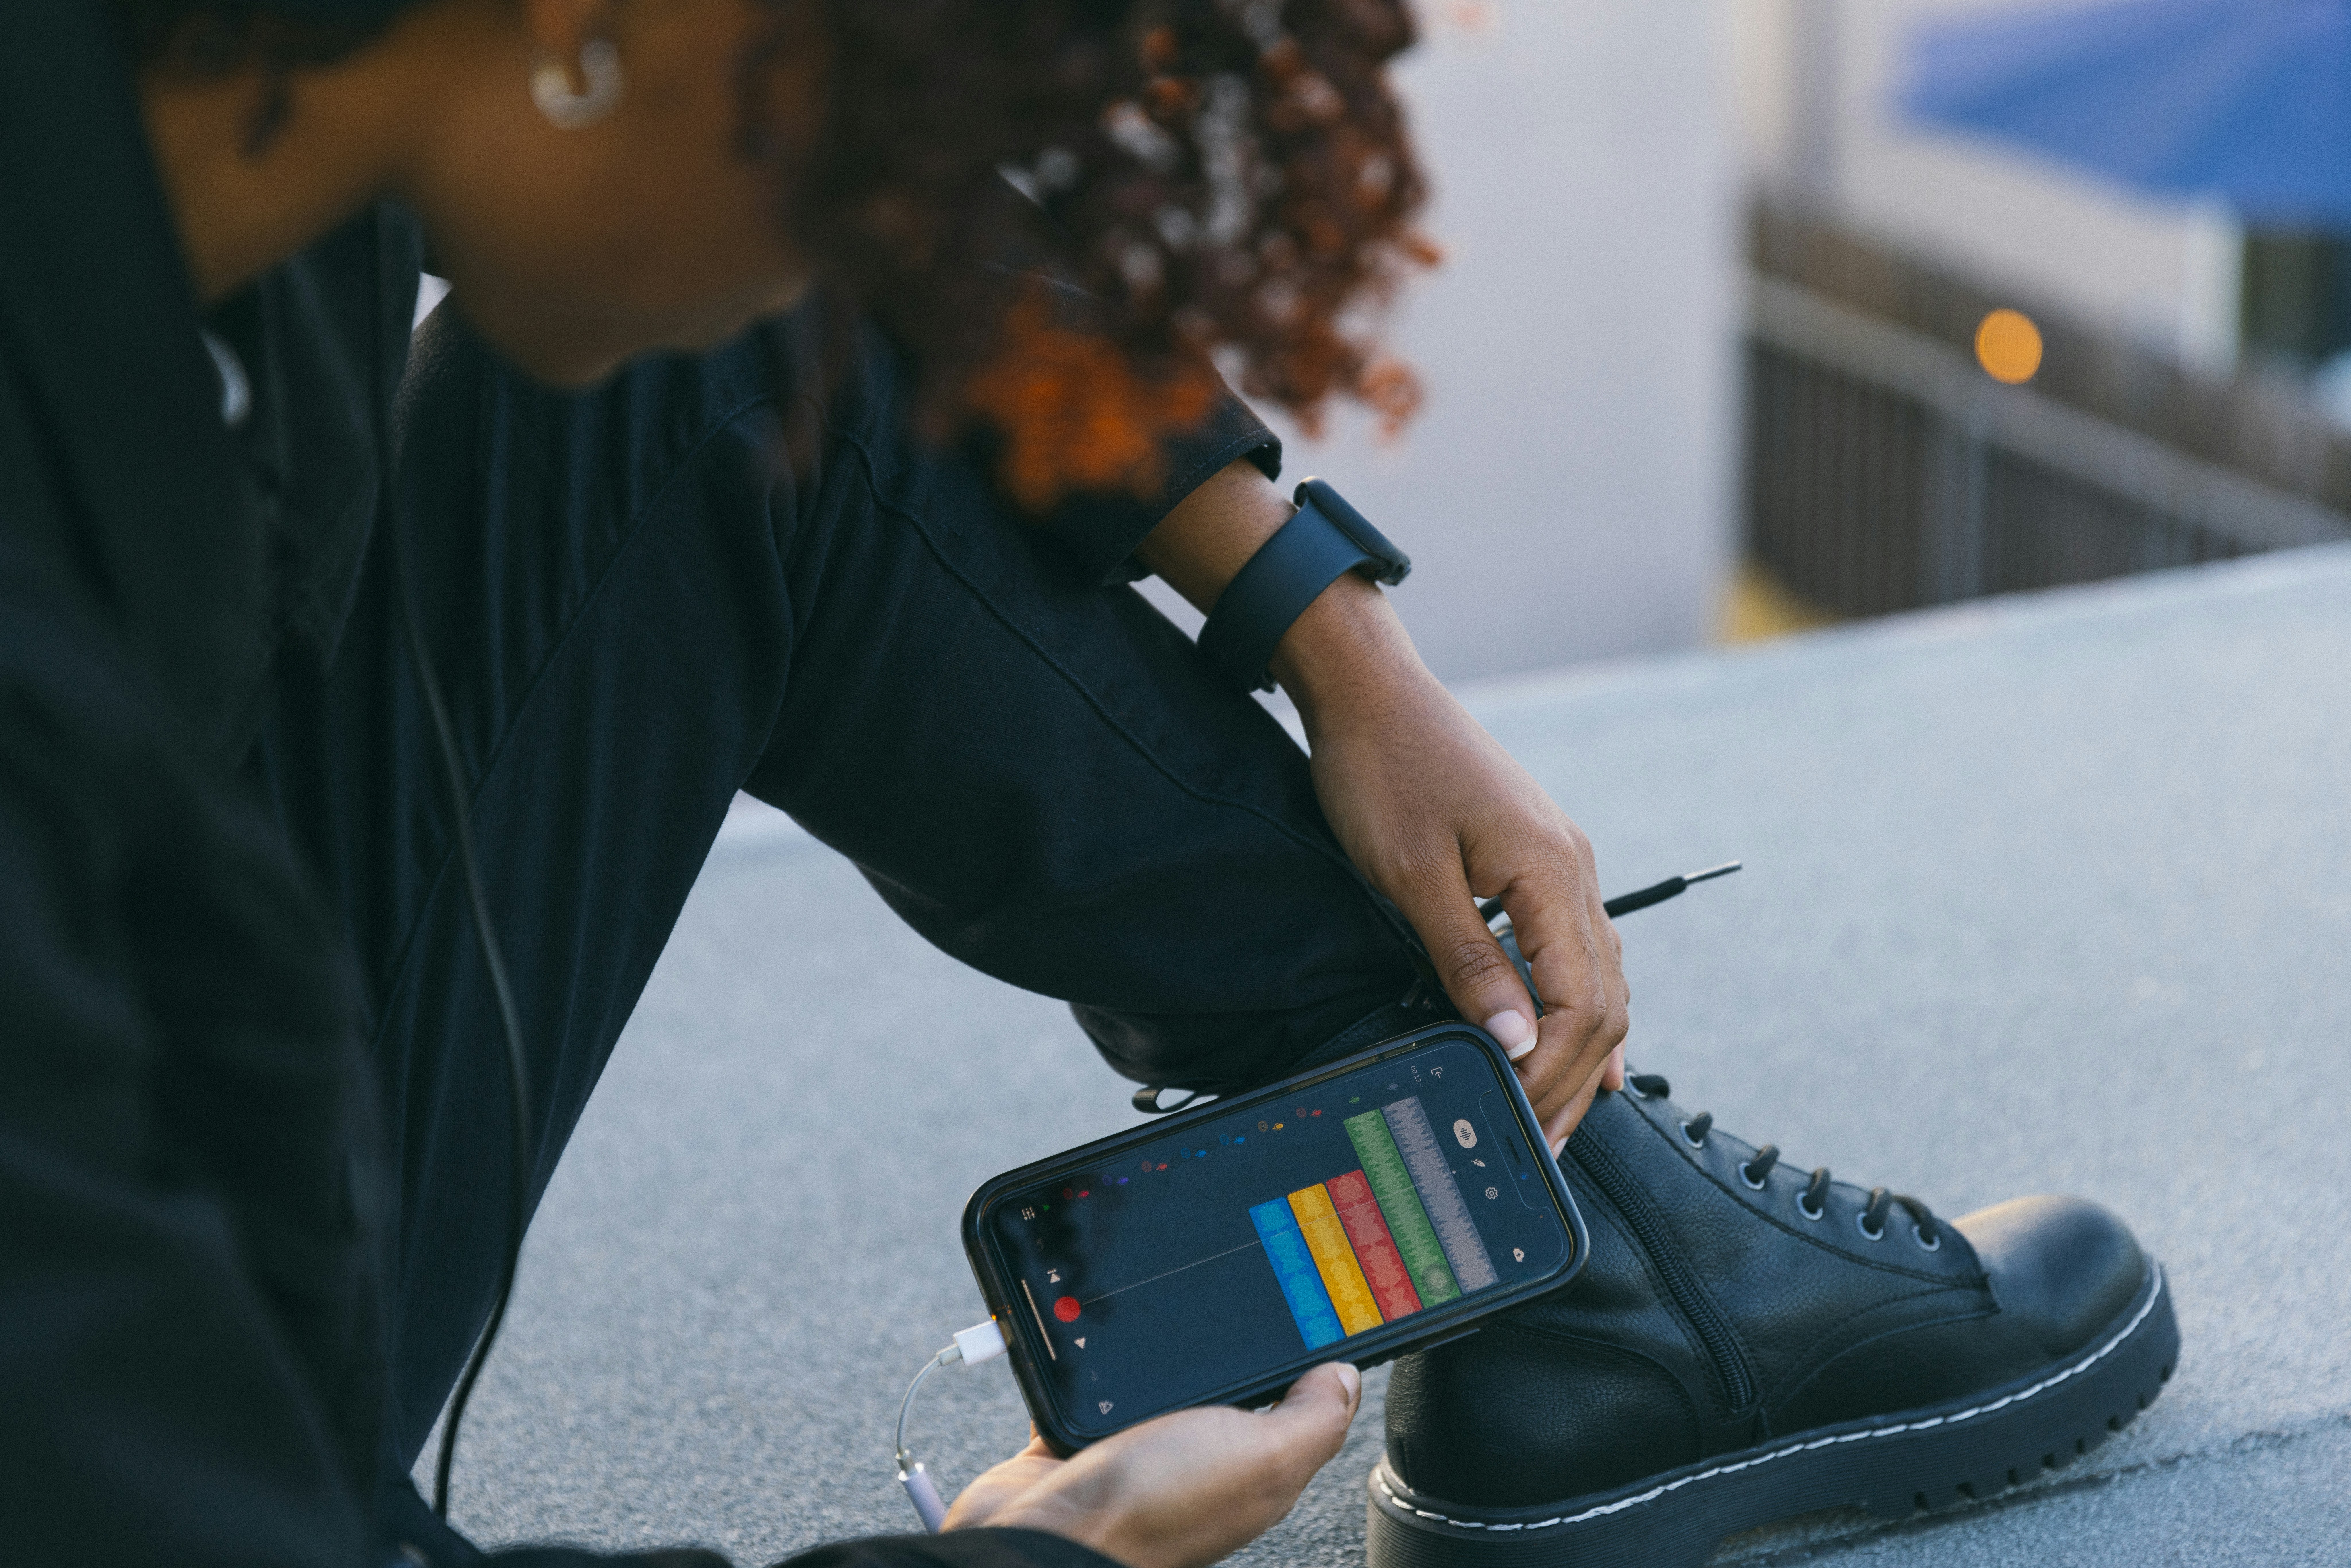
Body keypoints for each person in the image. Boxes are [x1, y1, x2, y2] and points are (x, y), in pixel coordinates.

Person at [0, 3, 2177, 1567]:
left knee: (720, 368)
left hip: (181, 1021)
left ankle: (1556, 1252)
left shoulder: (264, 88)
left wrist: (1330, 630)